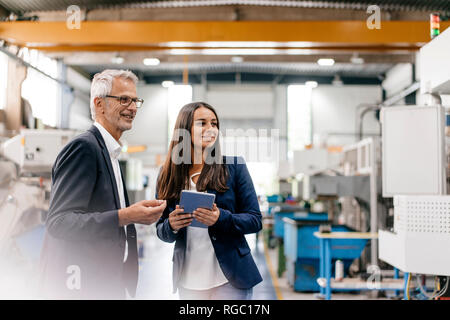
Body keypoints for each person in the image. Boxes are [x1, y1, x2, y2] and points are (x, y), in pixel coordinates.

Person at [39, 69, 167, 299]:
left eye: (135, 100)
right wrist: (126, 216)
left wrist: (133, 214)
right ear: (100, 104)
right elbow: (60, 222)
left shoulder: (109, 152)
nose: (133, 107)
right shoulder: (84, 148)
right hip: (83, 284)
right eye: (124, 99)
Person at [156, 102, 263, 300]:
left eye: (214, 123)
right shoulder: (168, 174)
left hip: (230, 278)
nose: (211, 129)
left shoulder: (234, 167)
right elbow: (161, 230)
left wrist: (220, 218)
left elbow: (255, 220)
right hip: (188, 281)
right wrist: (171, 225)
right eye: (202, 123)